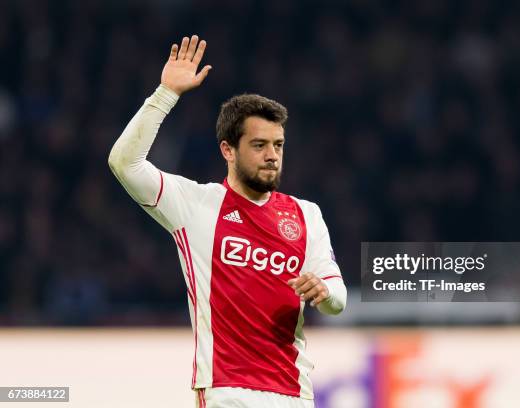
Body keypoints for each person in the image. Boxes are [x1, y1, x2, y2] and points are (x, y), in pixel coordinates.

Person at [108, 35, 347, 408]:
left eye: (278, 145)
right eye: (259, 145)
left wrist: (325, 291)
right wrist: (165, 94)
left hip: (294, 394)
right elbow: (125, 163)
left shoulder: (306, 214)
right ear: (228, 150)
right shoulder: (194, 205)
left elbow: (338, 300)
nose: (272, 156)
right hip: (227, 391)